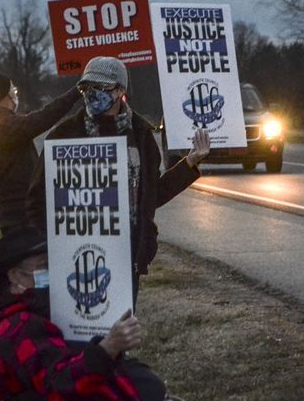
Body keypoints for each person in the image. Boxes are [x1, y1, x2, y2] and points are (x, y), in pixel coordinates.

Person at [27, 56, 210, 300]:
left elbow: (152, 195)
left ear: (120, 91)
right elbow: (37, 198)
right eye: (86, 88)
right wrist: (50, 244)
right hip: (76, 255)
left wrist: (189, 163)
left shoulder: (141, 135)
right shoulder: (64, 136)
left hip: (127, 253)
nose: (92, 95)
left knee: (123, 328)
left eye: (101, 89)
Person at [0, 227, 165, 400]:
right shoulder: (21, 326)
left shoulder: (15, 311)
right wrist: (107, 348)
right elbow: (62, 386)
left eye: (53, 263)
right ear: (14, 275)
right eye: (44, 265)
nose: (52, 271)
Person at [0, 70, 80, 233]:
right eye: (13, 91)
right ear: (4, 96)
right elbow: (44, 117)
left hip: (13, 211)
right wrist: (77, 91)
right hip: (22, 213)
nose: (15, 95)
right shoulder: (4, 128)